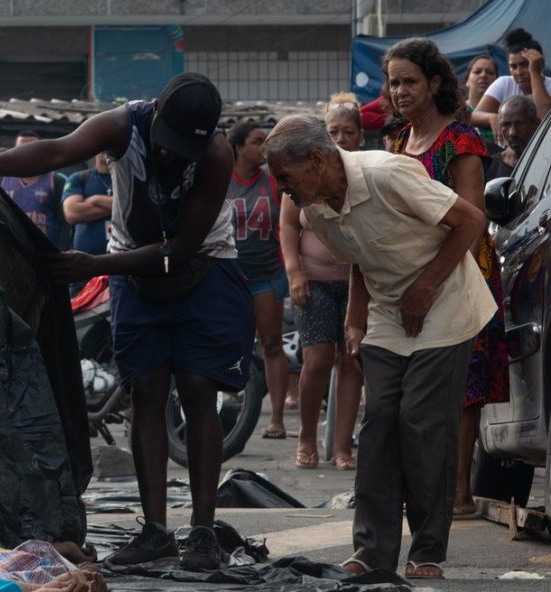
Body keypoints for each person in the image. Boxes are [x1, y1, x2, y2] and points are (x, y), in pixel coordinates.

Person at [0, 73, 254, 570]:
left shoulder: (216, 154)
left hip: (204, 266)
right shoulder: (121, 125)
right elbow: (57, 151)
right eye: (165, 143)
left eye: (181, 150)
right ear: (156, 116)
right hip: (134, 267)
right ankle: (155, 531)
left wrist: (95, 266)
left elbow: (182, 248)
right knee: (145, 390)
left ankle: (202, 531)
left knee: (198, 389)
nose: (169, 155)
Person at [265, 114, 493, 580]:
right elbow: (360, 259)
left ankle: (427, 549)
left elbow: (471, 220)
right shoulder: (314, 208)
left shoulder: (386, 174)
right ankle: (372, 551)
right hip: (389, 310)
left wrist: (426, 286)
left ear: (316, 160)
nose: (282, 190)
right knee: (380, 422)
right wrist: (354, 320)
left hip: (446, 303)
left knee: (423, 423)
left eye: (285, 177)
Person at [385, 37, 509, 521]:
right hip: (411, 275)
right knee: (415, 387)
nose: (399, 91)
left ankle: (458, 493)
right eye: (394, 83)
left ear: (434, 83)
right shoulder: (399, 142)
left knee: (462, 388)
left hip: (462, 275)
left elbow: (472, 222)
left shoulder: (461, 142)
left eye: (409, 82)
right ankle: (420, 487)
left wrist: (440, 284)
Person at [279, 104, 364, 471]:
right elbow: (287, 227)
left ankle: (342, 447)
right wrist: (294, 272)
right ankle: (307, 437)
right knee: (316, 360)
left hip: (357, 284)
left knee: (352, 362)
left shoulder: (362, 176)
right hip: (313, 284)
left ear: (360, 136)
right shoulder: (301, 175)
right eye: (333, 131)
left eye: (348, 131)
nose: (340, 138)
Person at [224, 122, 290, 439]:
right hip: (229, 277)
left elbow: (288, 222)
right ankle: (228, 408)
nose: (264, 147)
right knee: (227, 343)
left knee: (272, 344)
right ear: (238, 147)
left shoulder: (272, 180)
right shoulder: (221, 180)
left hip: (267, 274)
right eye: (257, 141)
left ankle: (276, 418)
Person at [473, 28, 551, 140]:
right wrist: (491, 118)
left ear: (539, 63)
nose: (518, 72)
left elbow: (543, 120)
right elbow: (473, 116)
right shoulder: (504, 83)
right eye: (513, 67)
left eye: (525, 65)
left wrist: (535, 72)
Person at [0, 131, 68, 248]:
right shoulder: (2, 180)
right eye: (21, 148)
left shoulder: (56, 181)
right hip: (12, 250)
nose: (25, 153)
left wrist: (63, 250)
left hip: (45, 251)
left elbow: (64, 223)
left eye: (31, 149)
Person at [61, 153, 113, 295]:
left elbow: (135, 207)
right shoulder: (80, 178)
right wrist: (116, 205)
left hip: (121, 267)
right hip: (84, 271)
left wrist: (95, 199)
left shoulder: (127, 178)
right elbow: (72, 213)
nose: (106, 151)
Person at [485, 95, 540, 180]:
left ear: (536, 124)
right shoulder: (489, 168)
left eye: (520, 123)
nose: (512, 133)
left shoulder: (546, 163)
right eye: (506, 125)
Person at [464, 55, 499, 142]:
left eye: (490, 73)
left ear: (498, 81)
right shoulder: (456, 111)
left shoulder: (505, 112)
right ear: (467, 81)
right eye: (477, 72)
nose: (483, 75)